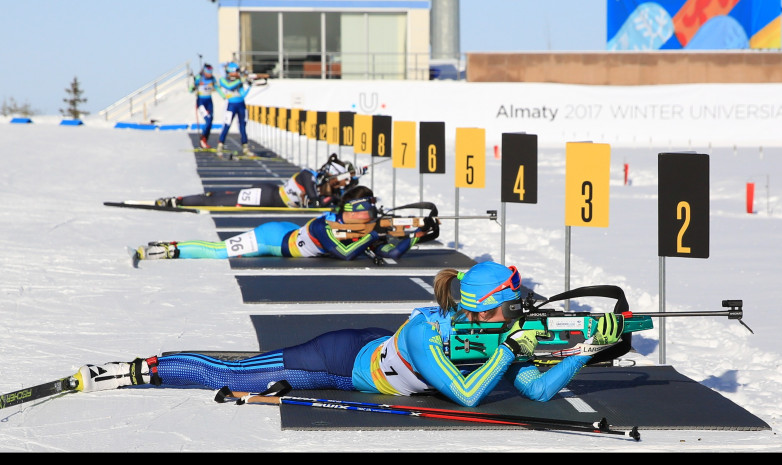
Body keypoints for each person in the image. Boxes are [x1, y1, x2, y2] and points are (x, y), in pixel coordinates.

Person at [73, 261, 623, 407]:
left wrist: (584, 348)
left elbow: (537, 390)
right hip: (339, 360)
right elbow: (468, 393)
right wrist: (509, 349)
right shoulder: (427, 335)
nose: (518, 319)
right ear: (485, 310)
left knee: (246, 368)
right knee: (237, 370)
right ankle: (140, 369)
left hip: (376, 347)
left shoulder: (493, 335)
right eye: (511, 310)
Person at [136, 185, 435, 261]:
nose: (373, 215)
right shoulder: (324, 227)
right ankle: (168, 249)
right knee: (219, 252)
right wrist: (374, 235)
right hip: (273, 239)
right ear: (356, 212)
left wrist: (416, 235)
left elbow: (391, 254)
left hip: (286, 234)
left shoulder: (356, 228)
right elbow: (346, 253)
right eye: (369, 210)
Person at [154, 154, 360, 209]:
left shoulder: (329, 192)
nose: (344, 186)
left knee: (223, 198)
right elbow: (313, 197)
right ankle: (178, 201)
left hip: (272, 199)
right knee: (218, 201)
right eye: (342, 181)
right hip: (267, 195)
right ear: (334, 176)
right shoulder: (309, 176)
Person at [215, 62, 251, 156]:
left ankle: (245, 146)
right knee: (227, 125)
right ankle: (220, 145)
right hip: (231, 105)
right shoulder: (224, 80)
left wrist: (249, 86)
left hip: (241, 105)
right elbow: (229, 86)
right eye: (236, 71)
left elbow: (242, 95)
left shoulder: (239, 81)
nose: (237, 73)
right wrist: (240, 80)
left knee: (243, 126)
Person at [190, 64, 217, 149]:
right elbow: (191, 90)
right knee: (208, 120)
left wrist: (225, 96)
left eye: (211, 72)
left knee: (210, 121)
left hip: (209, 102)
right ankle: (203, 139)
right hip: (201, 102)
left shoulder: (212, 79)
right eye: (208, 72)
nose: (210, 74)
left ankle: (205, 139)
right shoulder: (199, 78)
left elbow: (217, 88)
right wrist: (195, 86)